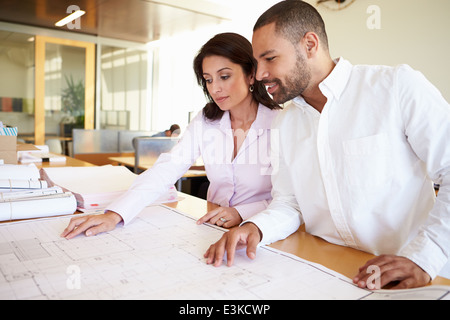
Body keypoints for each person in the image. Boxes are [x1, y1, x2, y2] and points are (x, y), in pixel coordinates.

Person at [204, 0, 450, 290]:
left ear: (310, 44)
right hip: (329, 273)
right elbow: (289, 202)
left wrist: (426, 256)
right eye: (257, 64)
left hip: (416, 272)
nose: (259, 75)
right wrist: (256, 227)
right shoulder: (285, 123)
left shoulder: (396, 87)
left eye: (270, 58)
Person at [61, 32, 282, 239]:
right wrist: (115, 214)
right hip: (212, 228)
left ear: (251, 75)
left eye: (224, 76)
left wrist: (242, 213)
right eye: (208, 79)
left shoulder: (280, 123)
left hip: (264, 231)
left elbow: (291, 198)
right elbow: (168, 167)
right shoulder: (206, 120)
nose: (215, 89)